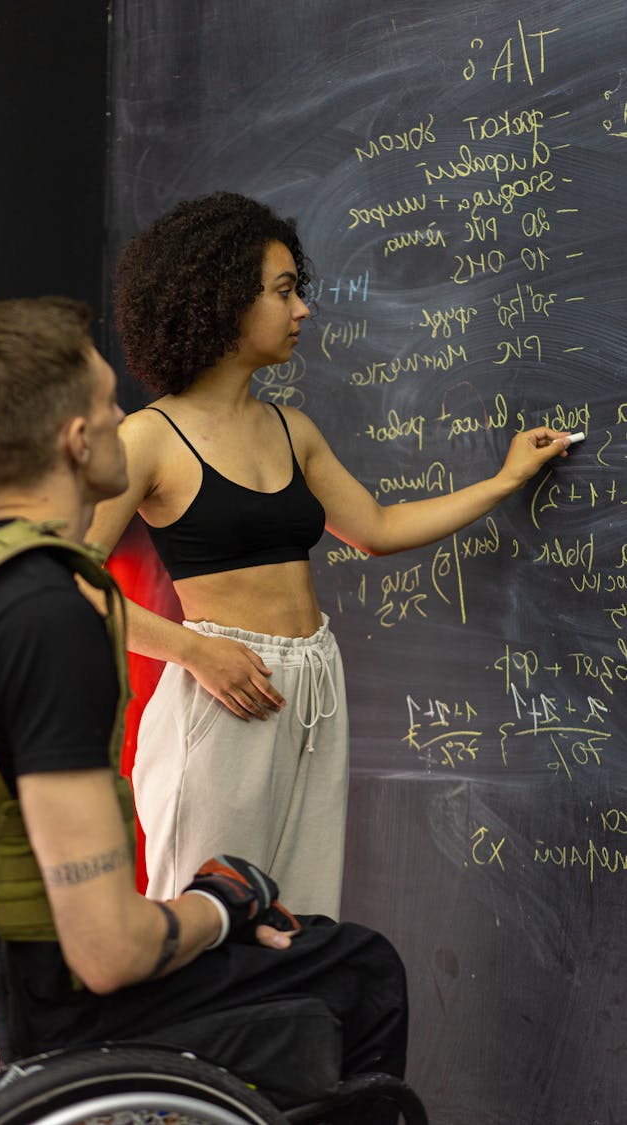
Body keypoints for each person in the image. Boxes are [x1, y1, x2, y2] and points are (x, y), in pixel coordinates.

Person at [0, 296, 410, 1120]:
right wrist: (225, 899)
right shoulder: (52, 614)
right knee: (360, 968)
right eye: (107, 405)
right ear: (75, 440)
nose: (126, 416)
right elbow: (111, 951)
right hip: (42, 1002)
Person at [86, 191, 574, 919]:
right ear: (224, 301)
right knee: (204, 921)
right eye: (283, 292)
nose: (302, 310)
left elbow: (376, 526)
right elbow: (66, 577)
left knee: (302, 920)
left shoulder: (293, 428)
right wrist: (193, 651)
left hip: (314, 682)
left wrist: (505, 480)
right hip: (225, 688)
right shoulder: (149, 439)